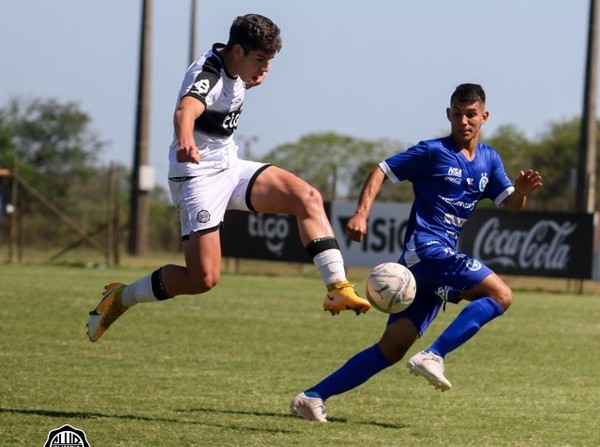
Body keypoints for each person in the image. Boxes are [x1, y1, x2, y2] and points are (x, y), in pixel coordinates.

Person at [87, 14, 371, 343]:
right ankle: (121, 297)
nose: (265, 67)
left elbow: (235, 85)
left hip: (230, 167)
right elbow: (187, 109)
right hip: (196, 178)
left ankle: (338, 288)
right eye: (260, 59)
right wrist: (186, 139)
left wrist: (253, 75)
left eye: (269, 60)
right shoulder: (207, 72)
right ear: (237, 50)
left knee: (306, 197)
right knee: (202, 278)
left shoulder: (236, 66)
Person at [290, 83, 543, 422]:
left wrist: (522, 192)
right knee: (501, 294)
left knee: (391, 349)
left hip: (429, 265)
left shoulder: (489, 160)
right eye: (457, 114)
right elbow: (382, 168)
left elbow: (511, 205)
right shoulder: (432, 152)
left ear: (484, 116)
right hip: (426, 250)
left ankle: (312, 397)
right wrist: (361, 212)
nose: (463, 121)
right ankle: (434, 355)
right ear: (448, 114)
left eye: (470, 114)